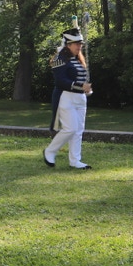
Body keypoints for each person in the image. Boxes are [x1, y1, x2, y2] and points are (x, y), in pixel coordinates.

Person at [44, 27, 92, 170]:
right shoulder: (59, 59)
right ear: (68, 45)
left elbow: (82, 79)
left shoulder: (78, 59)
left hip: (80, 98)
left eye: (80, 44)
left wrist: (87, 89)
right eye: (76, 44)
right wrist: (81, 86)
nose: (79, 46)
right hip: (66, 97)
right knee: (70, 129)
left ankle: (75, 160)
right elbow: (61, 81)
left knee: (78, 131)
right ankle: (50, 151)